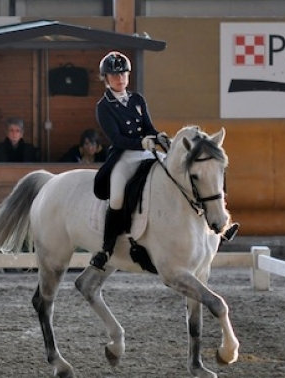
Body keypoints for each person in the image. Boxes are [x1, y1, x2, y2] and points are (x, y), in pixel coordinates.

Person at [89, 51, 238, 271]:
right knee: (118, 197)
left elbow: (149, 127)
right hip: (124, 156)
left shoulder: (138, 99)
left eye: (123, 74)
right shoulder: (104, 106)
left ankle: (215, 227)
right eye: (114, 75)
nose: (120, 79)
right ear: (106, 78)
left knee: (186, 178)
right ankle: (106, 248)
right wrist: (142, 142)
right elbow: (117, 138)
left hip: (148, 153)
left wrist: (157, 136)